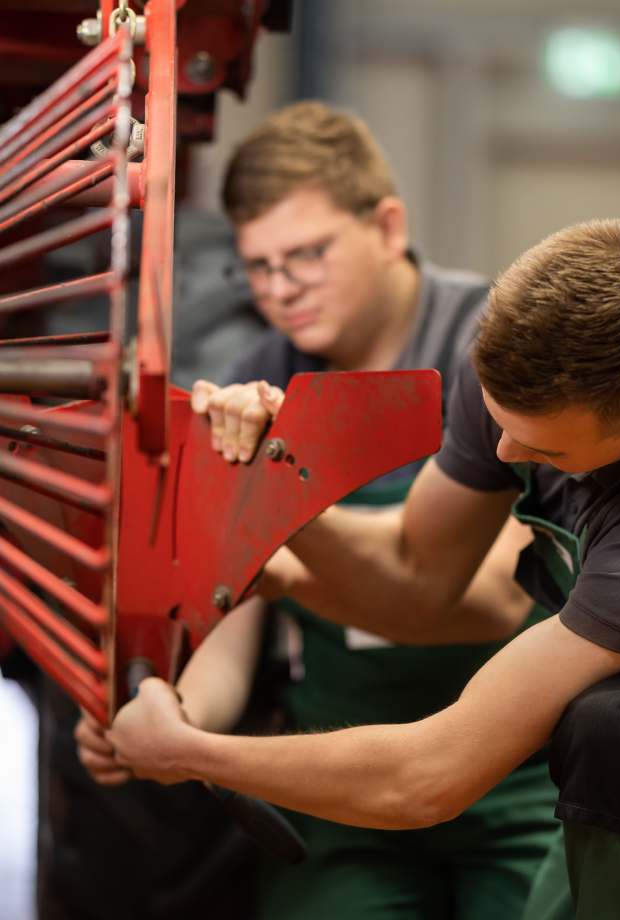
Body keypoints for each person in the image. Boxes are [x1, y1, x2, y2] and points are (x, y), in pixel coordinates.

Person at [81, 218, 620, 920]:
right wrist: (280, 504)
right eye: (496, 425)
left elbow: (428, 778)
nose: (509, 455)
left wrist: (193, 751)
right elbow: (417, 578)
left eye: (544, 450)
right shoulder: (522, 374)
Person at [79, 101, 562, 920]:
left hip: (521, 770)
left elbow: (486, 599)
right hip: (336, 779)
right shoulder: (252, 383)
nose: (281, 289)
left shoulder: (495, 357)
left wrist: (288, 502)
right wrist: (176, 723)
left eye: (305, 254)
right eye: (258, 266)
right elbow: (234, 614)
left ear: (386, 225)